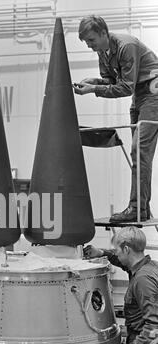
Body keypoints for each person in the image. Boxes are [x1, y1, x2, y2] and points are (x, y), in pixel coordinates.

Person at [74, 15, 158, 223]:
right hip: (139, 97)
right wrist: (93, 81)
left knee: (139, 151)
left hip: (153, 95)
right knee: (140, 154)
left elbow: (124, 87)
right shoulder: (103, 51)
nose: (89, 46)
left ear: (104, 33)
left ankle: (136, 208)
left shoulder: (126, 46)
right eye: (86, 42)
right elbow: (111, 81)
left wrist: (94, 89)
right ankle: (141, 209)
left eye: (91, 40)